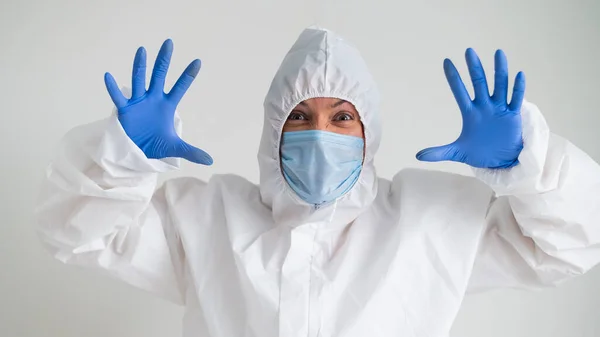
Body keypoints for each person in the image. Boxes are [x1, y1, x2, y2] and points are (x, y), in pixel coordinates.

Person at [35, 27, 600, 337]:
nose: (319, 133)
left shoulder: (432, 218)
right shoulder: (206, 216)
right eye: (299, 117)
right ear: (272, 129)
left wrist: (527, 166)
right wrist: (124, 156)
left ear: (368, 133)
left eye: (342, 118)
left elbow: (569, 246)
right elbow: (76, 235)